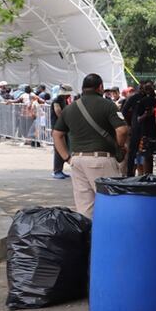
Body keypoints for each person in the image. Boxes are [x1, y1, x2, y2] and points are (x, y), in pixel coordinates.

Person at [51, 74, 129, 216]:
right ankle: (111, 237)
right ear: (100, 87)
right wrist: (120, 145)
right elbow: (122, 130)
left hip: (77, 161)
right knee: (112, 205)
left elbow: (57, 134)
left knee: (85, 208)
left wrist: (67, 158)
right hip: (101, 159)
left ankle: (90, 237)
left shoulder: (70, 108)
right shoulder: (108, 105)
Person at [50, 84, 73, 179]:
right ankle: (57, 171)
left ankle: (60, 169)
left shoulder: (64, 100)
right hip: (57, 129)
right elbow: (59, 113)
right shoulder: (56, 101)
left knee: (64, 149)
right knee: (58, 150)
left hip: (63, 128)